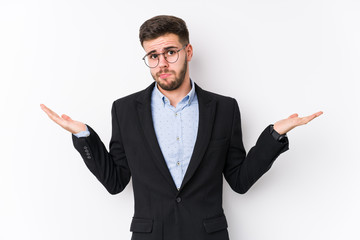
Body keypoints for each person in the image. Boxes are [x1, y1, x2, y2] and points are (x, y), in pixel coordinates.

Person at [40, 15, 323, 240]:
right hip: (150, 235)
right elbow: (116, 182)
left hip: (208, 234)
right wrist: (83, 136)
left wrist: (274, 135)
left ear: (187, 51)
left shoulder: (224, 108)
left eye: (170, 52)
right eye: (153, 56)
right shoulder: (125, 109)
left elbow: (239, 180)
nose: (162, 63)